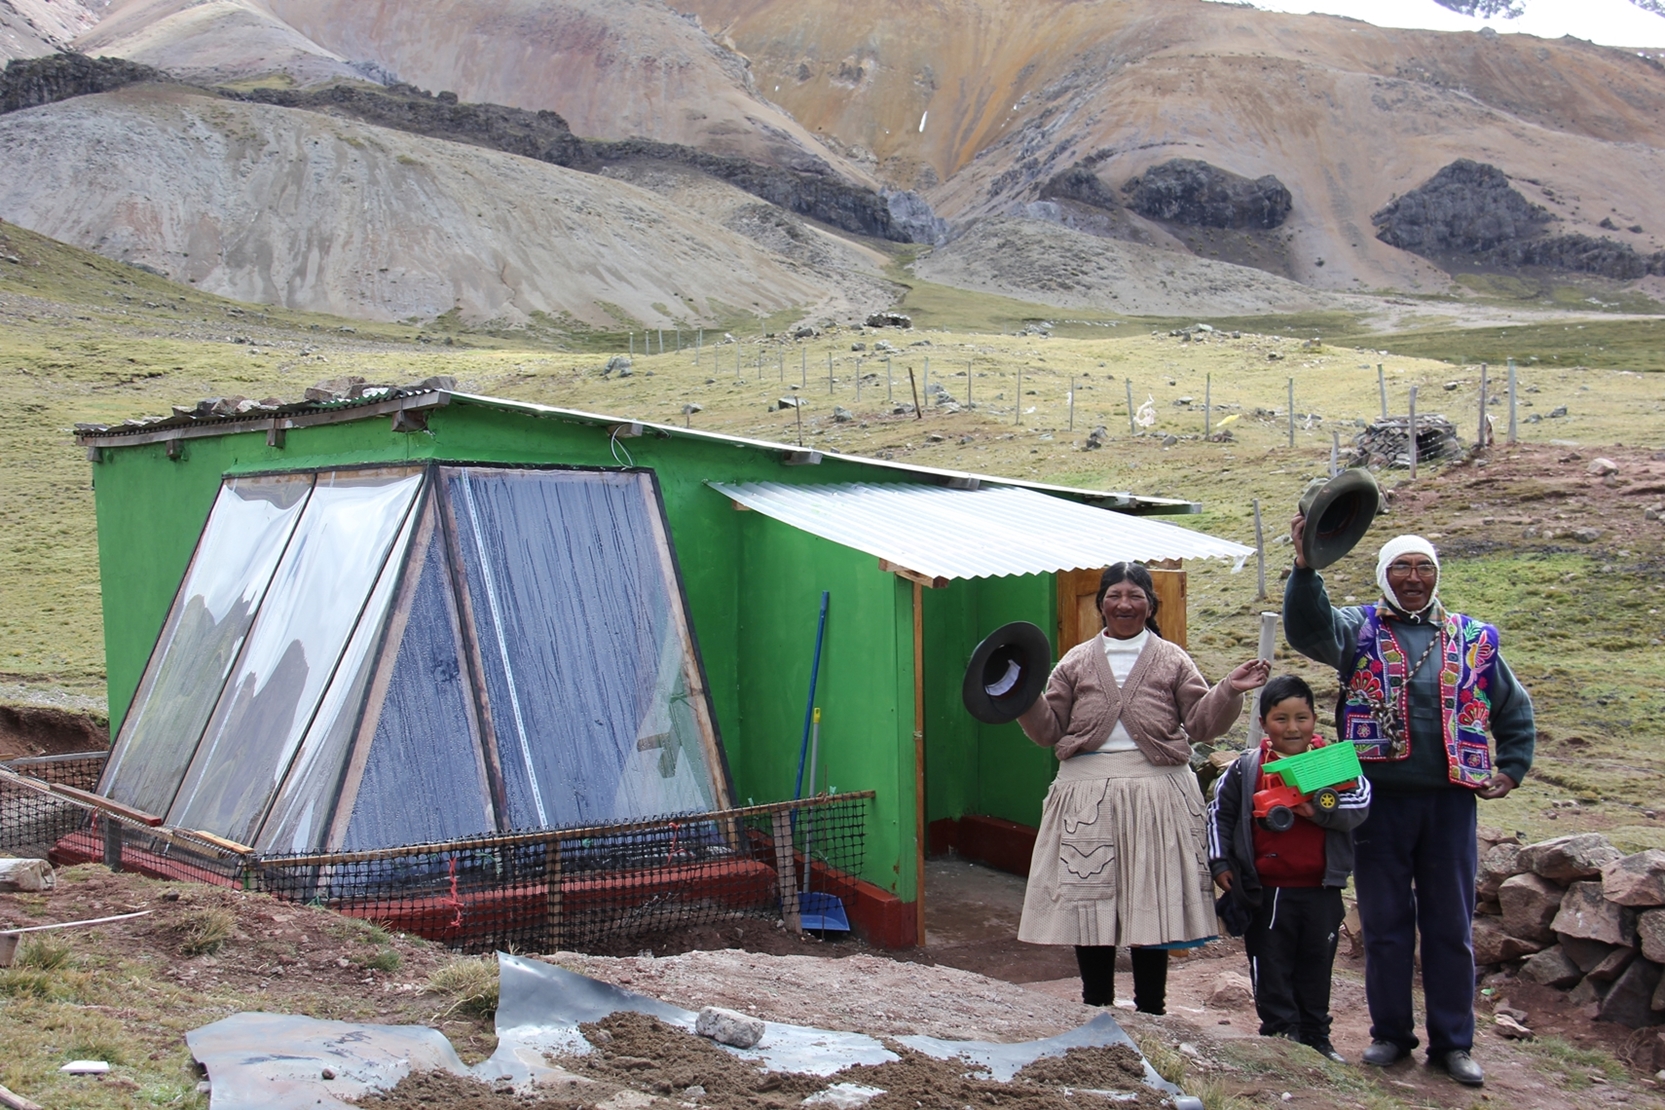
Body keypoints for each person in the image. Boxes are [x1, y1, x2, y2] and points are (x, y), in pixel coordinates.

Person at [1284, 523, 1535, 1088]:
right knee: (1385, 922)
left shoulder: (1473, 639)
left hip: (1450, 803)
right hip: (1379, 802)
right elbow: (1307, 626)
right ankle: (1391, 1034)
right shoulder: (1356, 629)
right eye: (1401, 567)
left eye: (1424, 567)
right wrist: (1305, 569)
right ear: (1383, 575)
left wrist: (1512, 766)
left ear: (1437, 575)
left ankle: (1453, 1043)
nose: (1413, 577)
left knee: (1450, 925)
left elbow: (1512, 706)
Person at [1016, 561, 1270, 1014]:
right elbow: (1048, 730)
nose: (1124, 604)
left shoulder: (1172, 659)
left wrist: (1229, 689)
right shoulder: (1075, 661)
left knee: (1153, 898)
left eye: (1135, 596)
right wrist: (1021, 694)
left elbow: (1201, 723)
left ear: (1150, 605)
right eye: (1114, 595)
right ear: (1101, 605)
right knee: (1089, 902)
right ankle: (1096, 1007)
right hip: (1087, 796)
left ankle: (1152, 1010)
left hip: (1157, 793)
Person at [1207, 675, 1371, 1063]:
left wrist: (1317, 811)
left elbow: (1361, 803)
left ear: (1314, 719)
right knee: (1271, 962)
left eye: (1302, 718)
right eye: (1281, 719)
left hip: (1322, 887)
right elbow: (1219, 814)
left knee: (1317, 962)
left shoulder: (1332, 763)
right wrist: (1220, 862)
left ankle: (1316, 1035)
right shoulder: (1247, 768)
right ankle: (1280, 1034)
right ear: (1263, 722)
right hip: (1267, 889)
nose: (1293, 728)